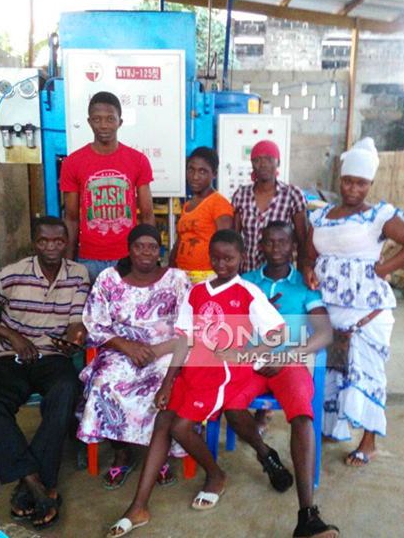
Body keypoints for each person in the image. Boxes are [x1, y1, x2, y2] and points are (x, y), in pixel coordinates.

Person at [107, 229, 295, 538]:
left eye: (229, 259)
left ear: (242, 258)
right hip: (193, 370)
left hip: (223, 373)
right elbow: (184, 340)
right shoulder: (197, 292)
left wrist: (248, 354)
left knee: (181, 427)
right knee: (163, 421)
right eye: (216, 258)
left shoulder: (247, 292)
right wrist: (168, 383)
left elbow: (279, 331)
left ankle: (216, 475)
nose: (221, 264)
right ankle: (138, 506)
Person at [0, 216, 90, 529]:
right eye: (44, 241)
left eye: (58, 241)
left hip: (52, 356)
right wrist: (11, 335)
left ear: (67, 243)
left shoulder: (78, 274)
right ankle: (38, 485)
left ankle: (28, 483)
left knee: (66, 391)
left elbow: (76, 319)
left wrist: (74, 338)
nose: (51, 247)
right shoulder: (13, 273)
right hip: (11, 356)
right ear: (34, 243)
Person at [304, 137, 404, 467]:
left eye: (361, 183)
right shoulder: (322, 215)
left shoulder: (378, 215)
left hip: (367, 311)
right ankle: (332, 429)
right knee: (331, 372)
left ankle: (369, 441)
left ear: (370, 184)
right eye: (348, 181)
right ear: (340, 180)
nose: (353, 189)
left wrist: (385, 268)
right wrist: (308, 270)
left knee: (366, 373)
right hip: (328, 309)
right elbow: (309, 254)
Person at [243, 221, 339, 537]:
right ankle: (266, 455)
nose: (276, 248)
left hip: (289, 363)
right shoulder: (246, 282)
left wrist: (285, 356)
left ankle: (307, 515)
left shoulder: (304, 285)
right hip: (250, 363)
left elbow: (324, 333)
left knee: (301, 416)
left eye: (282, 242)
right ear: (260, 246)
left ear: (292, 247)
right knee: (229, 403)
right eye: (269, 242)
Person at [77, 224, 191, 490]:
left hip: (168, 350)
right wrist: (127, 346)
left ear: (160, 251)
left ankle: (158, 452)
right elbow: (94, 322)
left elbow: (190, 327)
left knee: (165, 385)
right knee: (104, 384)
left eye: (152, 247)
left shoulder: (176, 279)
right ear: (129, 249)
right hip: (120, 349)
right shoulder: (109, 278)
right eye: (139, 246)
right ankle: (122, 453)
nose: (146, 252)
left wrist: (158, 351)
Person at [60, 91, 155, 283]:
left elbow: (147, 215)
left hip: (128, 257)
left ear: (120, 122)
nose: (103, 125)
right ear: (89, 122)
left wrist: (149, 258)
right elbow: (71, 218)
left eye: (110, 119)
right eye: (97, 119)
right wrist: (68, 264)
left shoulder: (138, 160)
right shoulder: (72, 163)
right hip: (88, 258)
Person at [232, 139, 307, 274]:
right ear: (252, 164)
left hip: (280, 276)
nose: (263, 164)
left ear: (278, 162)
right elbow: (234, 240)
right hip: (248, 273)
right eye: (257, 160)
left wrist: (301, 275)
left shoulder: (292, 195)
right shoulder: (241, 195)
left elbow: (302, 242)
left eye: (269, 159)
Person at [169, 147, 233, 283]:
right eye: (191, 169)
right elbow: (179, 242)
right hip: (182, 275)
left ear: (214, 174)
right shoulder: (187, 205)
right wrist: (170, 272)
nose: (195, 176)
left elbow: (226, 246)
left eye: (202, 171)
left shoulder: (219, 203)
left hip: (207, 277)